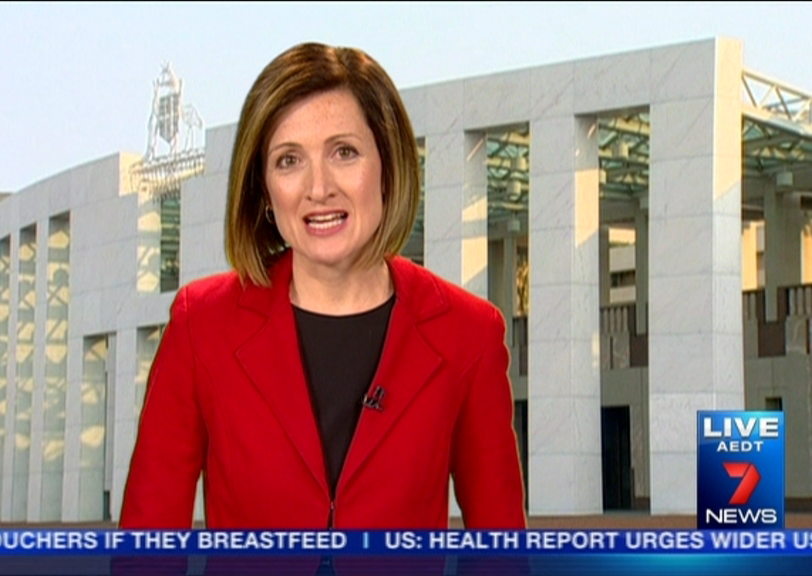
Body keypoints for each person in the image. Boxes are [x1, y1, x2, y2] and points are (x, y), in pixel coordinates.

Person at [119, 42, 526, 531]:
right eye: (288, 160)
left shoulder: (469, 334)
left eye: (344, 152)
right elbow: (147, 547)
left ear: (388, 165)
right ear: (263, 190)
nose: (318, 188)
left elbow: (501, 551)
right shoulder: (200, 325)